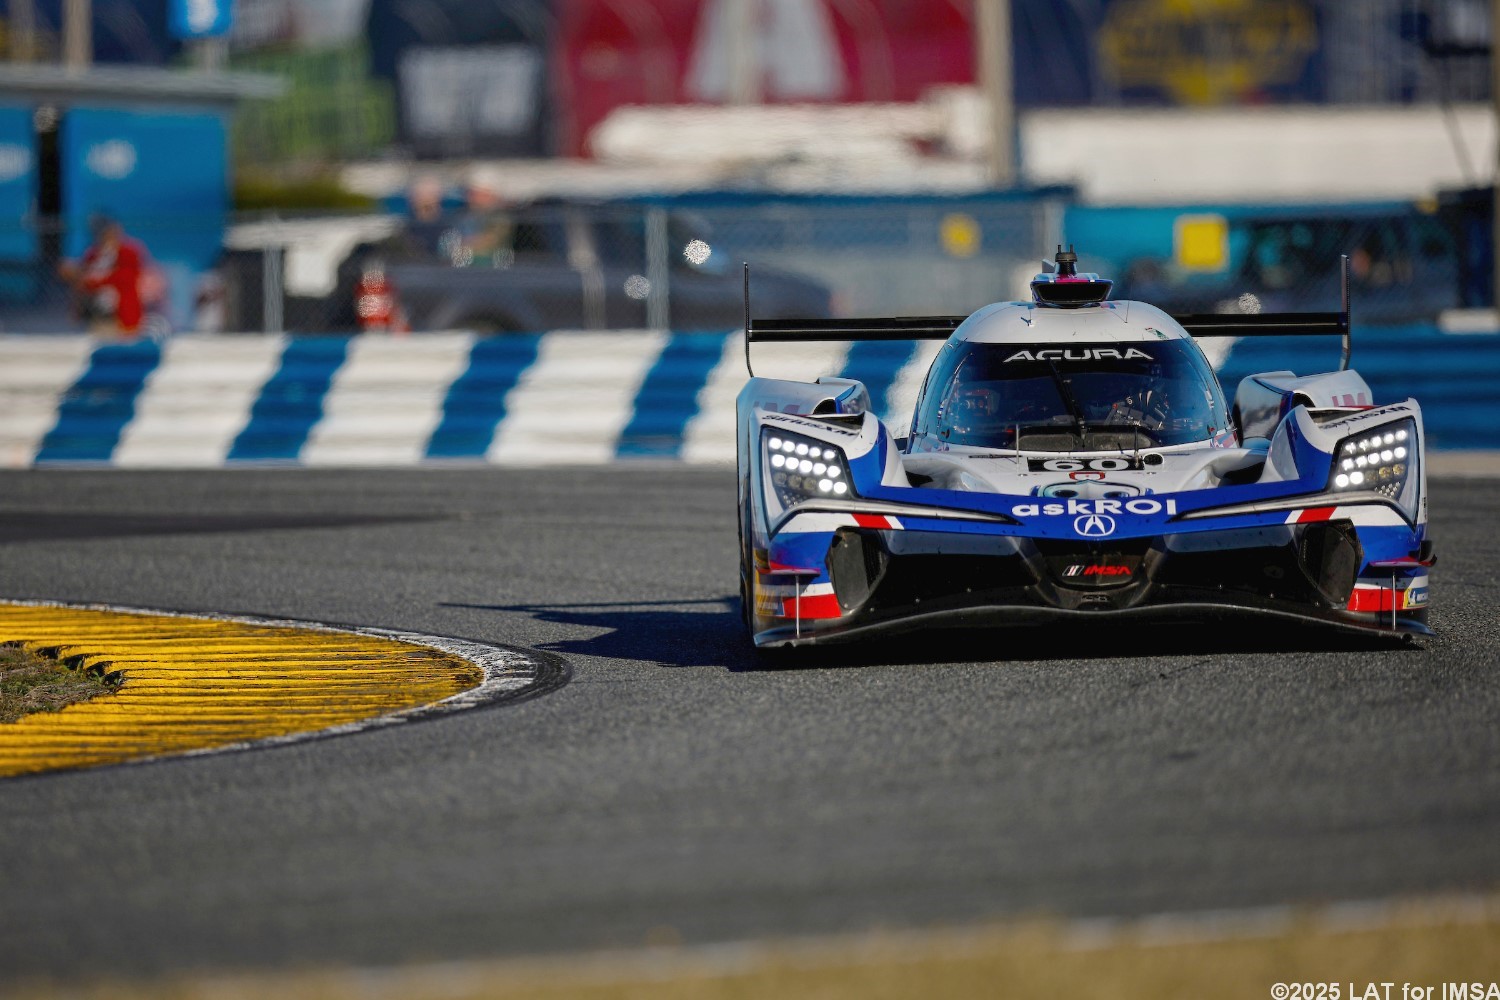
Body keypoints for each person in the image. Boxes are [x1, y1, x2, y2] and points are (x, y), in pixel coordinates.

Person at [57, 214, 147, 338]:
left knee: (125, 347)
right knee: (101, 342)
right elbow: (82, 277)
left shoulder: (128, 252)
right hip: (99, 312)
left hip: (123, 314)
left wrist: (96, 279)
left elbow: (126, 278)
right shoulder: (93, 254)